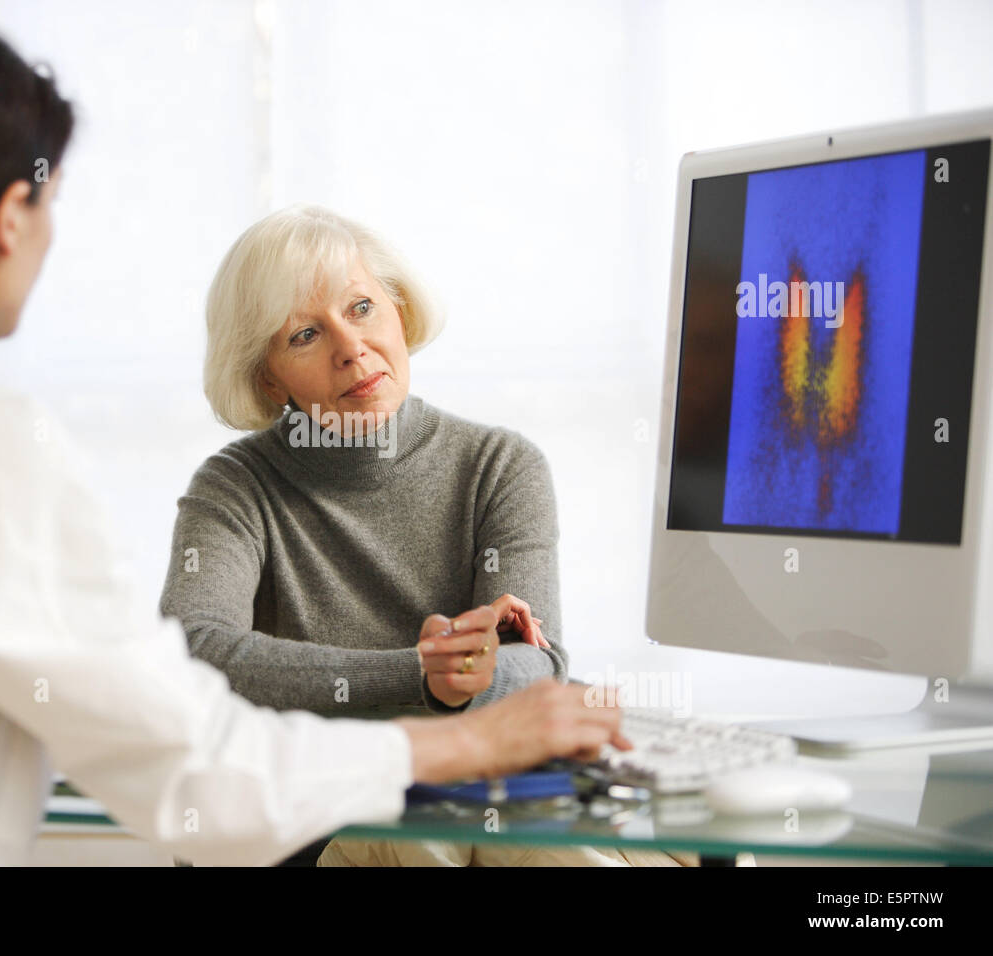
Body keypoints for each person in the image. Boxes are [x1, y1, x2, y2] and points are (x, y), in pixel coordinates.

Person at [0, 25, 633, 867]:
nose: (350, 347)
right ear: (10, 216)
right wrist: (463, 738)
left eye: (359, 308)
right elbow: (191, 768)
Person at [161, 205, 699, 866]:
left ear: (398, 307)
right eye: (305, 334)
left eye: (360, 307)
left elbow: (535, 659)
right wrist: (421, 677)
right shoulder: (235, 487)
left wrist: (470, 673)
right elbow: (195, 652)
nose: (351, 348)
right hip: (316, 819)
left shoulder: (500, 465)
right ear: (268, 377)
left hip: (470, 790)